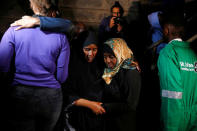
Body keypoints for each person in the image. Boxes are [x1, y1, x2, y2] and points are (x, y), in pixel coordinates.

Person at [0, 0, 70, 131]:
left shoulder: (14, 29)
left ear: (32, 5)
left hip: (20, 95)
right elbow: (62, 77)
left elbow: (2, 68)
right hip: (51, 98)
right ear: (52, 8)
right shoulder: (61, 37)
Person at [157, 13, 197, 131]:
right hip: (194, 115)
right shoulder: (192, 53)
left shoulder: (168, 53)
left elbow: (171, 93)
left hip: (175, 118)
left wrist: (171, 126)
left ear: (166, 30)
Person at [64, 30, 106, 131]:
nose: (91, 54)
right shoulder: (72, 66)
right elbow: (68, 93)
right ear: (80, 48)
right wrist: (90, 104)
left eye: (94, 49)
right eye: (87, 49)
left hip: (96, 117)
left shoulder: (99, 64)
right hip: (77, 116)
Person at [101, 38, 141, 131]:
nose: (107, 61)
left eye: (111, 57)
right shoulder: (110, 71)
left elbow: (131, 105)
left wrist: (104, 107)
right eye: (105, 57)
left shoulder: (131, 73)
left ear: (120, 54)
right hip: (111, 122)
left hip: (123, 124)